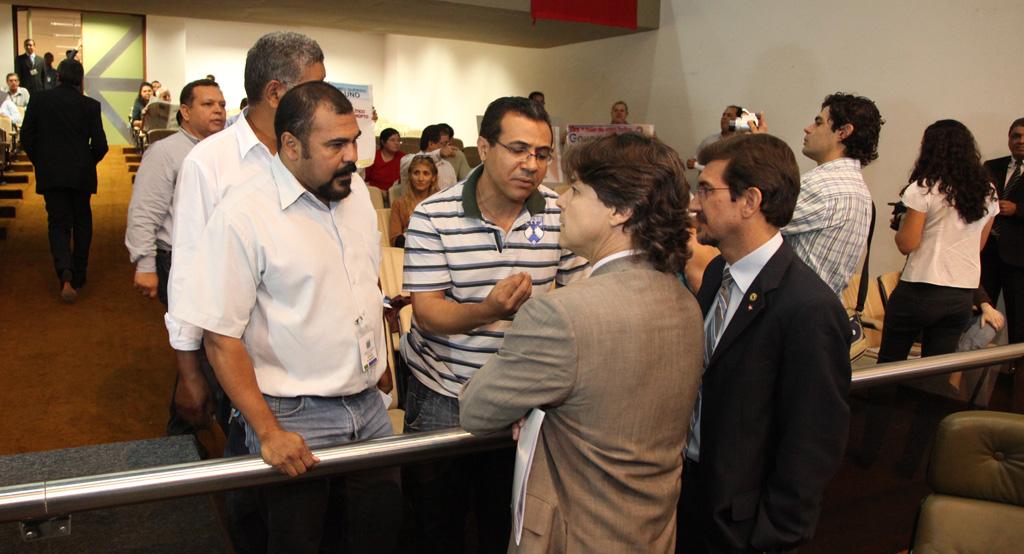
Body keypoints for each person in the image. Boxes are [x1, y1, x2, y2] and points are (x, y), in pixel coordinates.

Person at [171, 81, 401, 554]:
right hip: (293, 414)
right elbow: (221, 338)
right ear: (291, 145)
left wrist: (377, 363)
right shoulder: (243, 215)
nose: (351, 157)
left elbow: (364, 281)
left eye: (354, 141)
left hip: (368, 407)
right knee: (298, 541)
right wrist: (268, 432)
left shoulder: (356, 193)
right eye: (335, 145)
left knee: (377, 534)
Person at [460, 132, 703, 553]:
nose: (559, 201)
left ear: (620, 210)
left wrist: (531, 406)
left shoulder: (561, 315)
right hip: (652, 532)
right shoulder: (684, 301)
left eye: (575, 190)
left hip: (575, 536)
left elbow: (477, 409)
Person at [400, 96, 588, 553]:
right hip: (445, 393)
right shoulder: (433, 215)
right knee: (436, 524)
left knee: (504, 523)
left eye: (541, 154)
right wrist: (489, 311)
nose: (531, 165)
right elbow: (428, 312)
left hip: (521, 398)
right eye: (518, 149)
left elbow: (582, 296)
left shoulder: (558, 212)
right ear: (484, 148)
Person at [165, 31, 326, 553]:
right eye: (314, 87)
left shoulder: (318, 155)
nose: (325, 99)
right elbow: (188, 271)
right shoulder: (210, 163)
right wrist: (190, 372)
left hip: (305, 360)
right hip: (236, 357)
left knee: (310, 499)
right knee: (252, 494)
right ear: (276, 93)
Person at [676, 133, 850, 553]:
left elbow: (813, 442)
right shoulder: (718, 273)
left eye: (706, 190)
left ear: (750, 201)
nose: (694, 204)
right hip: (691, 497)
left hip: (742, 526)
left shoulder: (808, 307)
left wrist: (772, 536)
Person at [862, 120, 999, 473]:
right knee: (935, 381)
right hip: (960, 296)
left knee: (888, 370)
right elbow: (977, 247)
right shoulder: (987, 192)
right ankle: (912, 461)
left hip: (919, 290)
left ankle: (868, 451)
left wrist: (901, 227)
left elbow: (907, 244)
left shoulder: (925, 187)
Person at [124, 79, 226, 436]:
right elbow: (144, 213)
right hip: (175, 262)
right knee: (199, 347)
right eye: (208, 104)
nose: (218, 111)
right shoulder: (166, 152)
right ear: (185, 111)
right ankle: (184, 436)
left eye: (221, 104)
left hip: (215, 261)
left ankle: (188, 434)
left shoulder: (222, 152)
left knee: (202, 348)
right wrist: (145, 265)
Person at [755, 93, 882, 295]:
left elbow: (753, 221)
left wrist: (756, 149)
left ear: (843, 132)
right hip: (821, 305)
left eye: (818, 122)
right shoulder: (860, 191)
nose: (808, 128)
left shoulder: (822, 186)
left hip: (793, 305)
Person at [20, 59, 108, 302]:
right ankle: (79, 273)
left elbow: (26, 136)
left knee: (58, 223)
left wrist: (42, 161)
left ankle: (64, 272)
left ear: (57, 76)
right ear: (81, 80)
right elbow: (101, 145)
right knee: (82, 221)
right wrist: (87, 162)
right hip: (81, 174)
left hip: (52, 173)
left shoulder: (39, 100)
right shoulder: (90, 106)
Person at [981, 117, 1024, 347]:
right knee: (978, 312)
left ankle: (1018, 366)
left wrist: (1018, 210)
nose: (1020, 141)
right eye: (1016, 136)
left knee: (1019, 319)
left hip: (1018, 257)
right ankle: (971, 363)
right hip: (986, 251)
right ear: (1009, 139)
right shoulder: (991, 166)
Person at [388, 154, 438, 246]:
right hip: (409, 250)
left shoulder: (440, 203)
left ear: (433, 177)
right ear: (410, 176)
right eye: (416, 173)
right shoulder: (399, 203)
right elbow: (394, 239)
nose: (420, 178)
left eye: (426, 173)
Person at [398, 124, 457, 191]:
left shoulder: (447, 166)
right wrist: (439, 153)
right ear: (431, 144)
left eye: (448, 143)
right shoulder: (407, 160)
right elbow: (420, 161)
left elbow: (454, 191)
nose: (447, 147)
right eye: (444, 143)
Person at [686, 105, 742, 169]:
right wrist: (692, 162)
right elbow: (693, 161)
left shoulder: (742, 143)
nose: (724, 117)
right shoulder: (709, 141)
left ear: (739, 121)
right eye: (723, 115)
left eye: (729, 115)